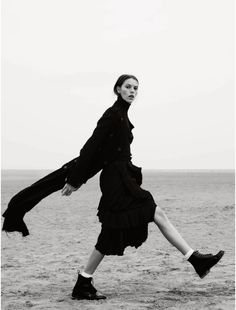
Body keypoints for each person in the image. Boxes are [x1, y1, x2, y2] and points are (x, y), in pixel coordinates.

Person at [60, 74, 224, 300]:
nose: (132, 91)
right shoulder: (113, 114)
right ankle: (195, 259)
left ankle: (83, 282)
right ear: (117, 89)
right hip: (116, 181)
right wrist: (75, 179)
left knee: (113, 232)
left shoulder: (122, 115)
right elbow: (91, 147)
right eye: (127, 87)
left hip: (123, 177)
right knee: (152, 213)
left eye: (136, 88)